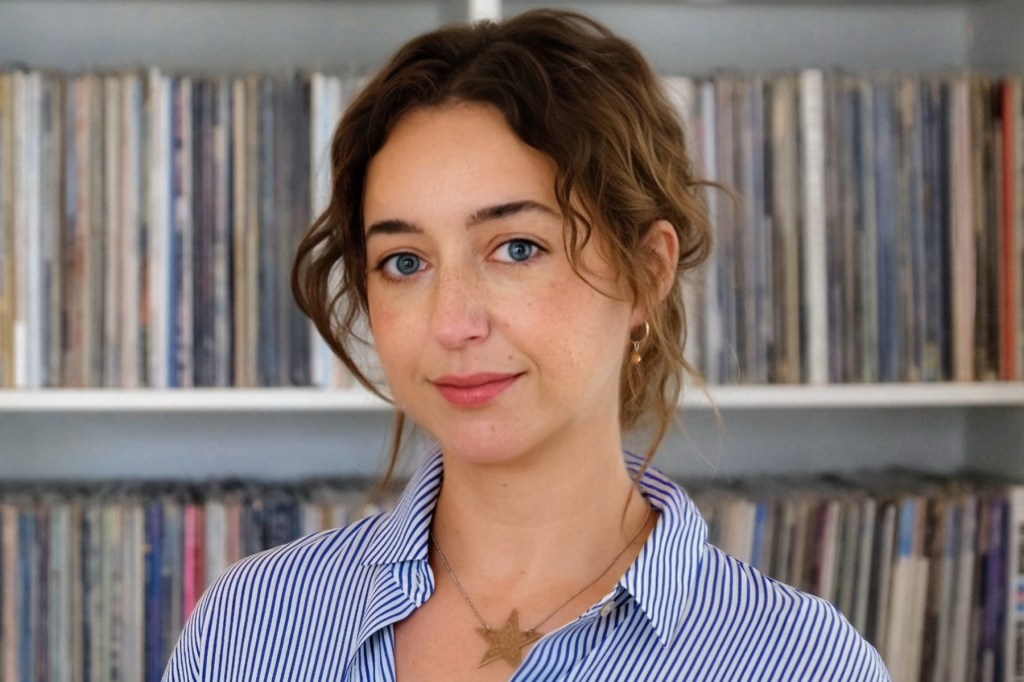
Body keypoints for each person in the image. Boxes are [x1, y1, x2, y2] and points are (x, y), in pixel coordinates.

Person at [163, 8, 890, 681]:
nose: (453, 323)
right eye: (405, 262)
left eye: (516, 248)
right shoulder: (247, 628)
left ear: (646, 273)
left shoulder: (802, 663)